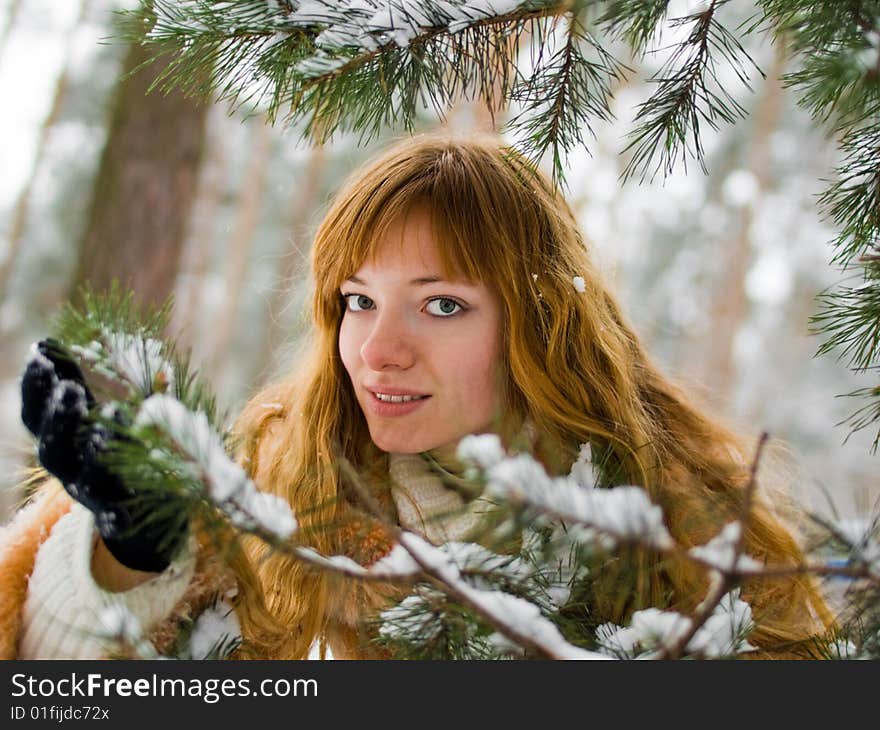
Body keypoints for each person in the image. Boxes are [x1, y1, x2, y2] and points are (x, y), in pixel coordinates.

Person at [0, 134, 832, 660]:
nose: (376, 351)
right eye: (358, 301)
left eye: (442, 306)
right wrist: (127, 559)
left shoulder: (694, 533)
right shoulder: (275, 481)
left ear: (538, 323)